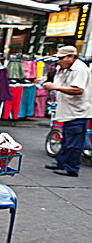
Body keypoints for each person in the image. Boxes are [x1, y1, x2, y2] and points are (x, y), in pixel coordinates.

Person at [43, 46, 92, 177]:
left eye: (62, 58)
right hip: (68, 111)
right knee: (66, 141)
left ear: (71, 57)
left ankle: (71, 168)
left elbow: (78, 90)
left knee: (74, 143)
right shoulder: (64, 69)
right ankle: (61, 163)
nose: (59, 61)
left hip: (78, 112)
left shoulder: (80, 69)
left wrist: (55, 87)